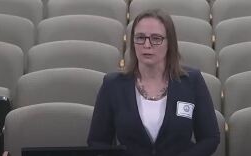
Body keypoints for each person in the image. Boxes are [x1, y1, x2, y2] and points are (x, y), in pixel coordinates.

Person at [88, 9, 220, 156]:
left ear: (170, 43)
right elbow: (98, 142)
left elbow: (210, 138)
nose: (147, 45)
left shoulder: (191, 81)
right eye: (140, 37)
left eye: (156, 38)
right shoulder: (112, 85)